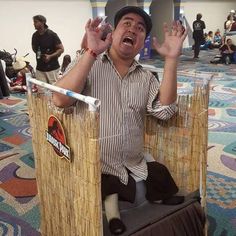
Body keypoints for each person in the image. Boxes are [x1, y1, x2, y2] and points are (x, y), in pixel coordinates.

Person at [53, 6, 187, 235]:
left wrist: (171, 59)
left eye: (140, 28)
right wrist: (91, 53)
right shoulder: (88, 63)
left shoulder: (145, 76)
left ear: (143, 40)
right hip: (97, 160)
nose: (133, 29)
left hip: (133, 159)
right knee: (107, 184)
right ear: (113, 33)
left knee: (158, 172)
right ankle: (113, 215)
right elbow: (60, 100)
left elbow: (165, 111)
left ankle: (154, 197)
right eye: (127, 23)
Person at [32, 15, 64, 84]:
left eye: (36, 22)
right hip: (40, 68)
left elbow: (61, 49)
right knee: (42, 92)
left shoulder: (52, 35)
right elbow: (34, 48)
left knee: (53, 90)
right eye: (34, 22)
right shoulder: (34, 36)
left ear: (43, 22)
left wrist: (50, 56)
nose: (34, 24)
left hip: (52, 69)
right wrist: (39, 54)